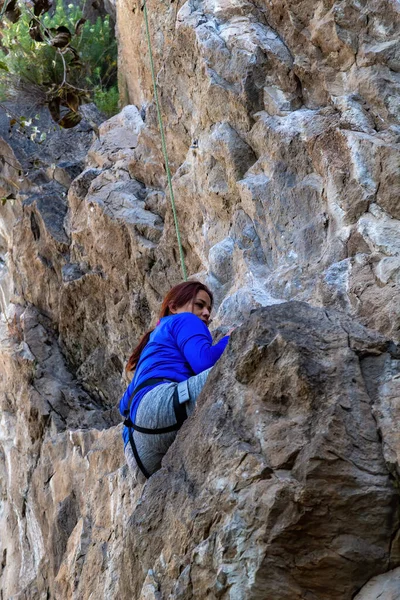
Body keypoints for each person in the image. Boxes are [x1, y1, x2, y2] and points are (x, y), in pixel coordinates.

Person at [119, 281, 230, 482]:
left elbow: (123, 406)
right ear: (173, 307)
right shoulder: (185, 319)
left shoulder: (151, 348)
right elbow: (205, 363)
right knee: (234, 367)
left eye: (208, 309)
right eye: (199, 305)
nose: (206, 313)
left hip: (137, 454)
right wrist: (231, 339)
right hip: (158, 409)